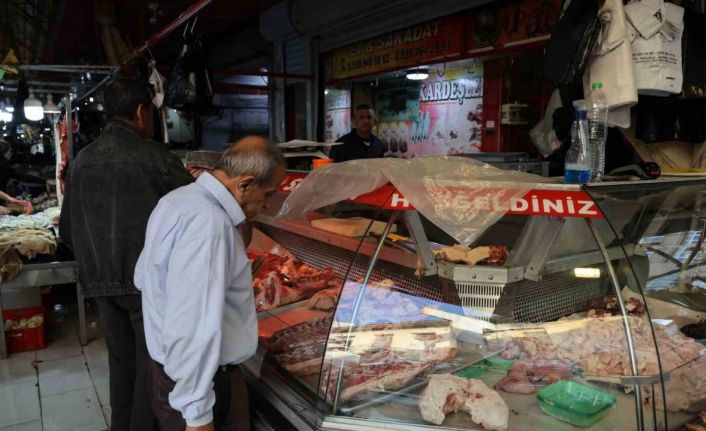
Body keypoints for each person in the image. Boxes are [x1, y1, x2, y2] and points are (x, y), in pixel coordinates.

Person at [59, 77, 193, 431]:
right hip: (147, 284)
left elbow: (67, 231)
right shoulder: (157, 158)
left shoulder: (81, 161)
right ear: (140, 112)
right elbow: (199, 215)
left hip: (100, 282)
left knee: (121, 362)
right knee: (150, 366)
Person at [134, 136, 286, 431]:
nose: (267, 205)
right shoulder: (210, 225)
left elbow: (143, 278)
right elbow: (191, 327)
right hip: (203, 385)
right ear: (245, 184)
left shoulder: (177, 200)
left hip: (172, 374)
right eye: (268, 194)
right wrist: (198, 415)